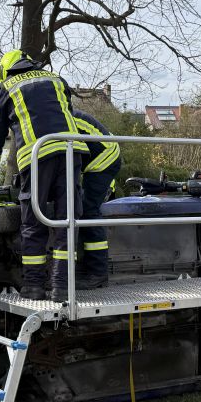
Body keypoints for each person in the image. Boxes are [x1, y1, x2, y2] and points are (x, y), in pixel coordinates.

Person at [0, 49, 88, 302]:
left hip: (36, 156)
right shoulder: (56, 80)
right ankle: (62, 287)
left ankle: (34, 286)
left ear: (6, 71)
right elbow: (65, 115)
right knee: (67, 220)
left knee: (33, 222)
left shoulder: (5, 88)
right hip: (72, 151)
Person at [72, 109, 122, 289]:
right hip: (96, 157)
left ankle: (98, 274)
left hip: (104, 158)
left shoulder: (61, 120)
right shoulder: (57, 116)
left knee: (88, 212)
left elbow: (73, 159)